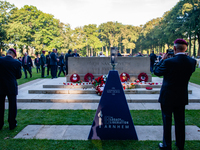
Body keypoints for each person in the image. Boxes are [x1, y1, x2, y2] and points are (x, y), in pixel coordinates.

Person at [154, 39, 196, 150]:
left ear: (174, 48)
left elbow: (156, 71)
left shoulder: (168, 62)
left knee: (167, 121)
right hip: (181, 95)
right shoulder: (192, 62)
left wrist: (162, 60)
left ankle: (167, 145)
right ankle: (180, 144)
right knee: (180, 121)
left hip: (167, 96)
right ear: (186, 48)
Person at [0, 48, 22, 130]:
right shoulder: (16, 62)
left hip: (1, 85)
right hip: (11, 86)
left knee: (0, 105)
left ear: (7, 53)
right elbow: (18, 76)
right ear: (13, 55)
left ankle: (0, 124)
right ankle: (12, 124)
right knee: (12, 105)